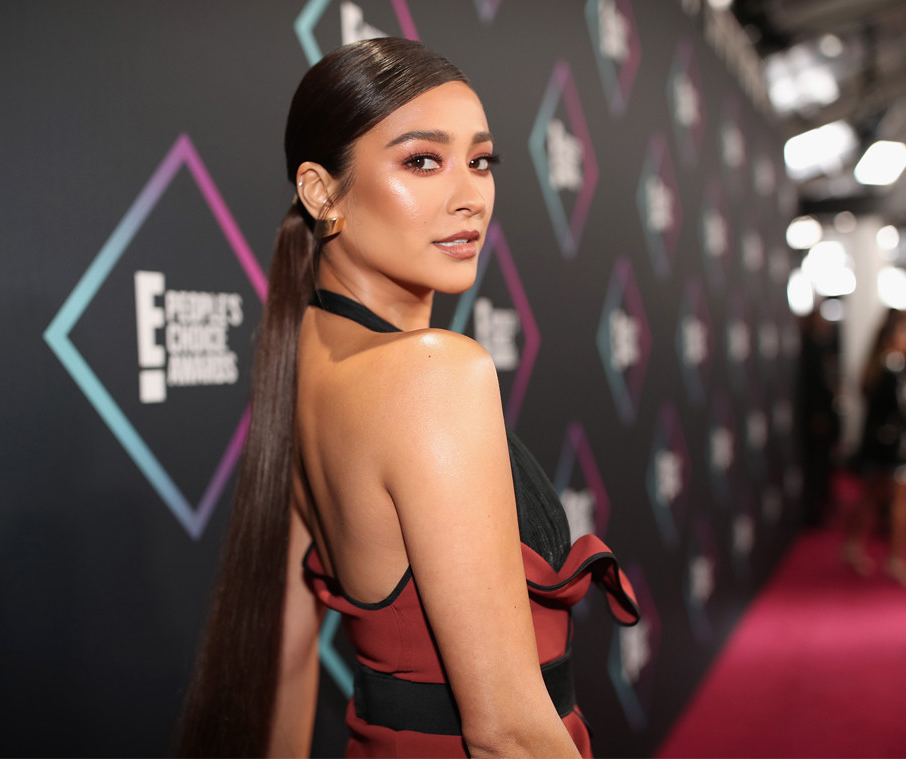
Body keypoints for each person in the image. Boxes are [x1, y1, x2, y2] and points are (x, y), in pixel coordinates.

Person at [174, 38, 639, 758]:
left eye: (480, 160)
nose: (469, 195)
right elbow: (510, 733)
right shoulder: (435, 375)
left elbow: (285, 663)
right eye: (423, 160)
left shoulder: (301, 368)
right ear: (322, 191)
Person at [843, 308, 906, 586]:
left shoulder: (888, 366)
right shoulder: (889, 369)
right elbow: (890, 413)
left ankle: (856, 546)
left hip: (885, 447)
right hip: (890, 449)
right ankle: (894, 559)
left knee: (874, 497)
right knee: (890, 501)